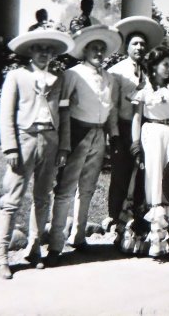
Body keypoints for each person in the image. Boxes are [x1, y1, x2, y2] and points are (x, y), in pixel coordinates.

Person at [0, 29, 75, 279]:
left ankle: (34, 248)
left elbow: (65, 115)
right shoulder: (17, 76)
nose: (44, 54)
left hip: (50, 140)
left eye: (49, 50)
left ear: (54, 54)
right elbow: (5, 114)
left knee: (43, 197)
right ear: (30, 51)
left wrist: (64, 146)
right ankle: (1, 256)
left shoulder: (58, 79)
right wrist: (10, 147)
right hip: (25, 139)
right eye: (39, 49)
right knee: (12, 199)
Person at [46, 25, 121, 267]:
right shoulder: (73, 74)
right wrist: (64, 143)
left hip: (98, 135)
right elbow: (63, 107)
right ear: (85, 50)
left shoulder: (108, 77)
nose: (98, 53)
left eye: (102, 49)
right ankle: (56, 243)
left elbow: (110, 110)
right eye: (94, 49)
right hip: (77, 132)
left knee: (87, 187)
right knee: (66, 188)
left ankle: (78, 236)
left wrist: (112, 136)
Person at [107, 16, 166, 247]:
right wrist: (113, 134)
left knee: (142, 175)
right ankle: (115, 221)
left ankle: (136, 221)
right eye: (135, 44)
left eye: (142, 44)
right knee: (121, 175)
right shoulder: (117, 71)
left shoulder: (150, 71)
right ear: (127, 47)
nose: (140, 48)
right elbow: (112, 105)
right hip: (122, 128)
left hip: (146, 128)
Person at [130, 46, 169, 258]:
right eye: (165, 64)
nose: (168, 68)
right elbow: (137, 118)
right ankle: (154, 240)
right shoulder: (144, 87)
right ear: (154, 66)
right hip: (152, 134)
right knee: (153, 180)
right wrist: (135, 143)